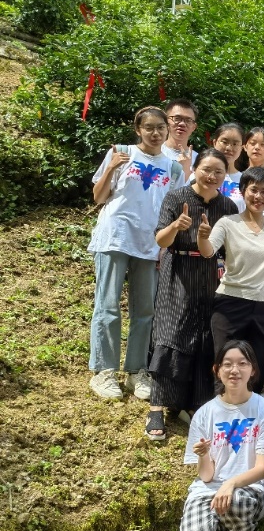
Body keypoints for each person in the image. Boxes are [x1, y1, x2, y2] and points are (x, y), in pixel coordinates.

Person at [88, 106, 181, 400]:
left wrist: (166, 248)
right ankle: (104, 371)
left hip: (151, 244)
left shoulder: (174, 167)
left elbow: (173, 212)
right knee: (108, 305)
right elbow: (99, 197)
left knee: (145, 311)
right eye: (149, 127)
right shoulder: (122, 152)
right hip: (115, 237)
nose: (155, 133)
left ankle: (136, 371)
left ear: (167, 131)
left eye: (160, 128)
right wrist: (113, 167)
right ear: (137, 129)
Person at [146, 148, 239, 439]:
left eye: (218, 172)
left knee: (204, 337)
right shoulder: (177, 197)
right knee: (172, 334)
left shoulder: (227, 206)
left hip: (211, 275)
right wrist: (177, 225)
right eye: (206, 169)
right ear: (195, 168)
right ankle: (157, 409)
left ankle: (191, 404)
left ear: (225, 175)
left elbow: (231, 249)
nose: (211, 176)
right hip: (178, 270)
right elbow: (160, 239)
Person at [176, 341, 264, 531]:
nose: (235, 370)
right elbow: (206, 476)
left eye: (242, 364)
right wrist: (203, 456)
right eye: (228, 364)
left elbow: (262, 468)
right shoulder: (205, 413)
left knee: (237, 500)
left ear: (252, 370)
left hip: (251, 489)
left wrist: (231, 483)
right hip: (210, 488)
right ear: (217, 370)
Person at [199, 166, 264, 395]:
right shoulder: (228, 223)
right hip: (230, 302)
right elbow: (208, 251)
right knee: (226, 362)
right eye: (253, 190)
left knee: (258, 365)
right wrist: (202, 237)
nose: (259, 196)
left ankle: (251, 418)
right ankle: (222, 415)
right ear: (243, 191)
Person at [209, 123, 246, 212]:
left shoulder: (245, 180)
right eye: (224, 142)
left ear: (242, 147)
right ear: (214, 143)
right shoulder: (200, 175)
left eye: (235, 144)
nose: (229, 148)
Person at [162, 98, 199, 180]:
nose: (182, 124)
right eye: (177, 118)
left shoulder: (200, 160)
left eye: (188, 120)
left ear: (194, 127)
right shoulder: (154, 152)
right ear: (166, 121)